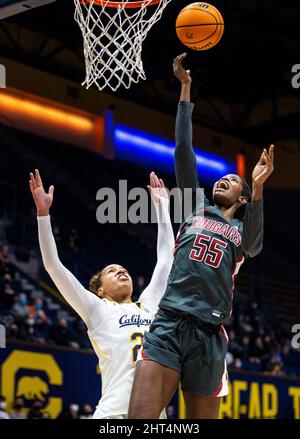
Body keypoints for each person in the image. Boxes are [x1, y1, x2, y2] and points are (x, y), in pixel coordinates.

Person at [128, 53, 275, 419]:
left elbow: (255, 244)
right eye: (222, 178)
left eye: (233, 181)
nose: (223, 179)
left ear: (242, 199)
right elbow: (183, 150)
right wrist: (185, 90)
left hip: (209, 334)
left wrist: (257, 188)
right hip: (169, 323)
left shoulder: (241, 230)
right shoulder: (194, 208)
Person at [29, 169, 174, 419]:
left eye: (123, 269)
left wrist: (163, 208)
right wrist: (43, 216)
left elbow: (165, 261)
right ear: (100, 290)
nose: (121, 271)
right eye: (112, 270)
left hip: (154, 414)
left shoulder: (148, 306)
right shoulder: (97, 309)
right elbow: (53, 265)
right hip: (113, 414)